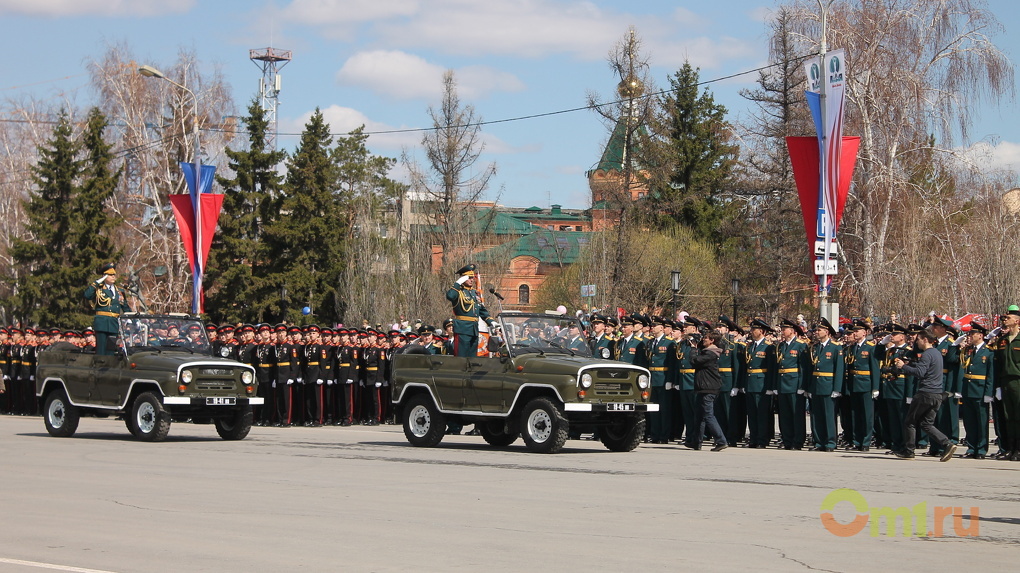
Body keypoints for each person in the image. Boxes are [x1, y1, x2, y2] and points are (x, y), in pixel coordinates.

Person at [894, 328, 957, 461]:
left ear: (925, 339)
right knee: (926, 424)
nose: (917, 343)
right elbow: (926, 368)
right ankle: (947, 444)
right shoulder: (936, 353)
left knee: (910, 422)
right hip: (936, 394)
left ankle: (909, 450)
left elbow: (920, 373)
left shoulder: (927, 354)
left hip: (925, 393)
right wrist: (911, 363)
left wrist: (903, 366)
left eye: (919, 340)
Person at [958, 322, 994, 459]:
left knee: (981, 421)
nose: (970, 336)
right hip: (968, 389)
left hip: (980, 390)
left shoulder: (988, 352)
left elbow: (991, 374)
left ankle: (981, 449)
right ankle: (971, 447)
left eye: (973, 334)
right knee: (969, 421)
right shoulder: (968, 350)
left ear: (980, 335)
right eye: (970, 334)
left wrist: (988, 393)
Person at [689, 331, 728, 451]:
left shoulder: (711, 354)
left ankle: (721, 440)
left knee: (708, 415)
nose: (703, 340)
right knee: (699, 415)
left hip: (709, 387)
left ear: (712, 341)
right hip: (703, 387)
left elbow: (694, 361)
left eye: (706, 338)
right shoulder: (707, 351)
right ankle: (696, 441)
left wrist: (693, 349)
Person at [83, 263, 131, 355]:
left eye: (114, 274)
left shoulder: (119, 291)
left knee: (110, 350)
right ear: (104, 276)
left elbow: (125, 307)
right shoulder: (98, 289)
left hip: (114, 323)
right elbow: (87, 295)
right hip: (102, 323)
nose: (113, 276)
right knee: (101, 350)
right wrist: (97, 282)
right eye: (110, 275)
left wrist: (132, 319)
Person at [446, 264, 493, 358]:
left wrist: (491, 321)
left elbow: (481, 309)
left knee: (472, 358)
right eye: (469, 278)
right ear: (463, 279)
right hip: (463, 329)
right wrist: (457, 283)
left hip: (474, 329)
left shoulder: (474, 293)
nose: (472, 280)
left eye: (473, 277)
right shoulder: (458, 292)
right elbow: (450, 296)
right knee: (461, 357)